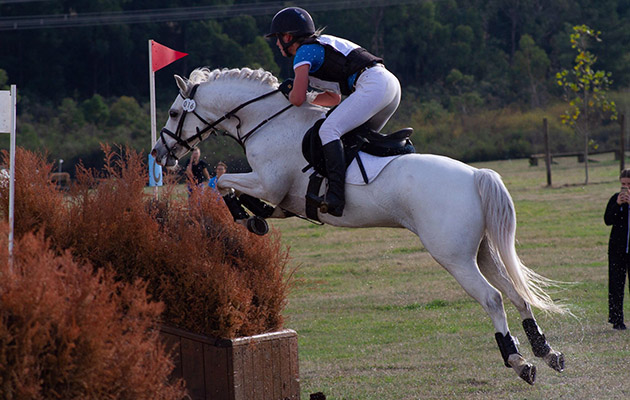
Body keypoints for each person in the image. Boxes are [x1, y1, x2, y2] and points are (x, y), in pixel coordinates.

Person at [266, 7, 401, 217]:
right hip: (388, 84)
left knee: (328, 131)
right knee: (352, 139)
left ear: (288, 36)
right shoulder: (319, 48)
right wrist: (308, 97)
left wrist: (288, 91)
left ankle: (336, 196)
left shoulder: (303, 52)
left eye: (277, 38)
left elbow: (297, 98)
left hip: (373, 84)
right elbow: (333, 98)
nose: (276, 44)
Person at [604, 168, 630, 330]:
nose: (626, 187)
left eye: (628, 184)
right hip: (617, 251)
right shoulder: (615, 199)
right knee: (616, 285)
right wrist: (618, 205)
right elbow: (607, 220)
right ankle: (617, 320)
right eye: (623, 184)